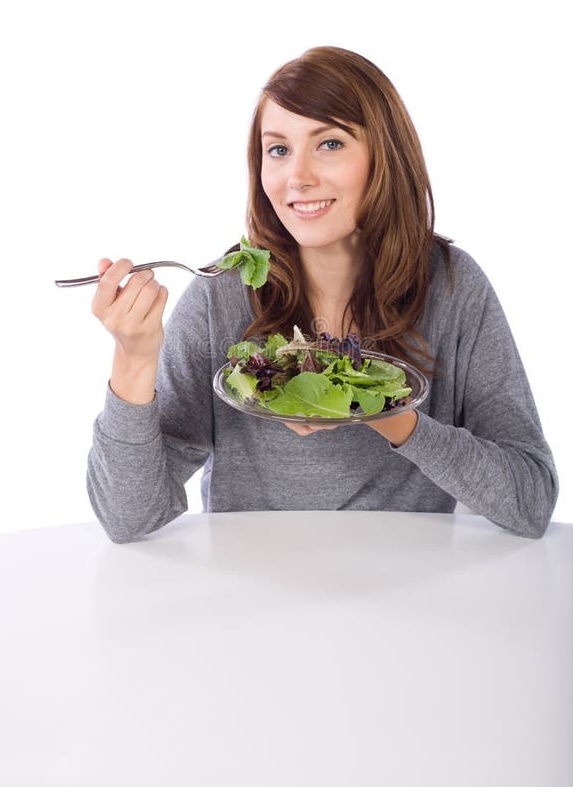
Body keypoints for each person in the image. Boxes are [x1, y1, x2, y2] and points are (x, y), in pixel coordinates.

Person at [87, 46, 558, 542]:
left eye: (329, 144)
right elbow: (128, 517)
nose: (298, 178)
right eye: (278, 149)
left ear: (385, 154)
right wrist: (133, 359)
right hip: (248, 594)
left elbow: (529, 501)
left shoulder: (452, 286)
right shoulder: (224, 292)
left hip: (409, 595)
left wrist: (390, 417)